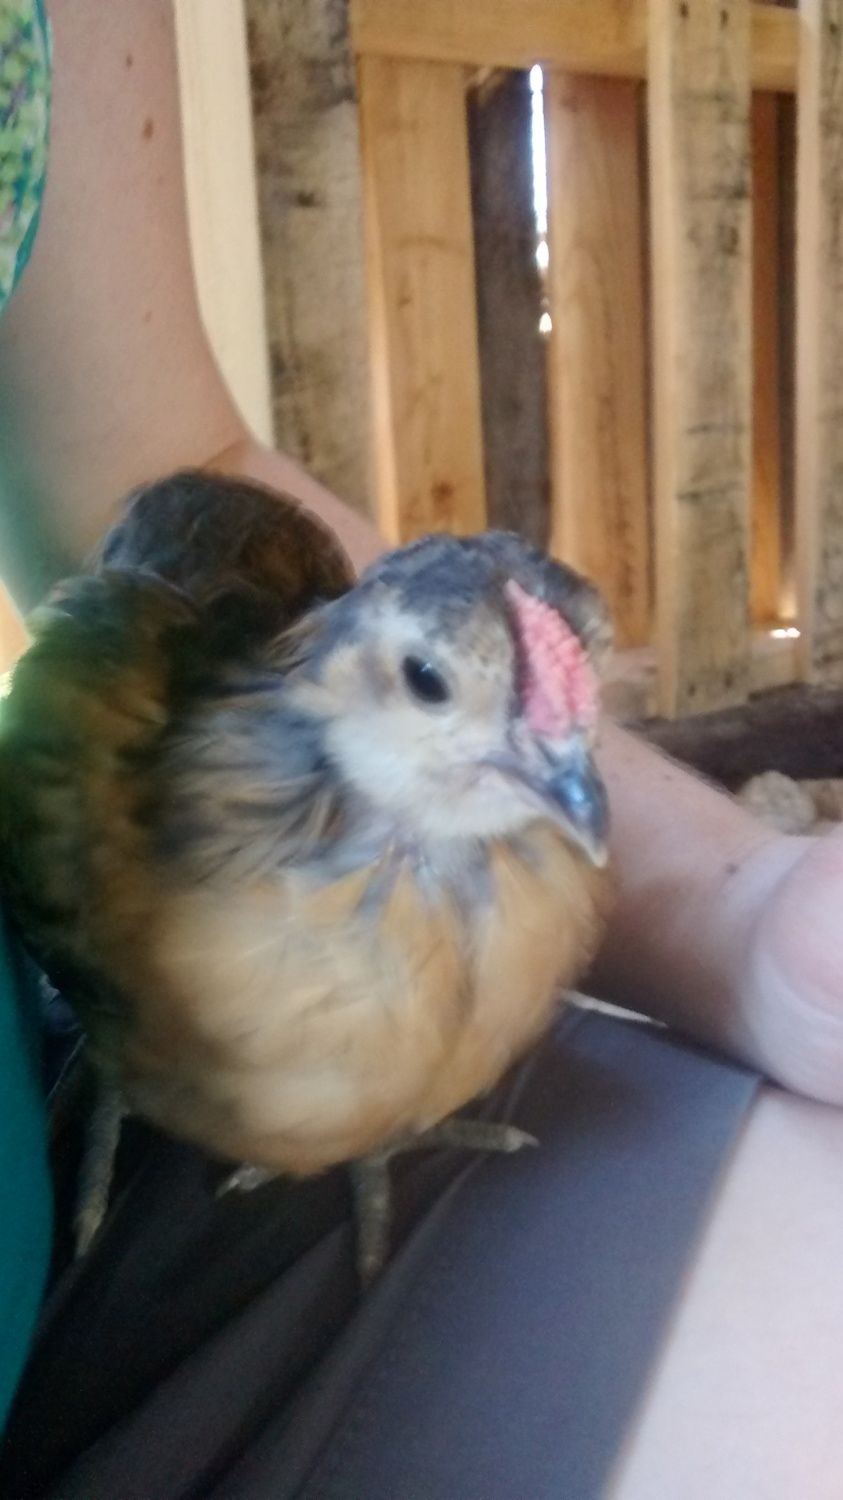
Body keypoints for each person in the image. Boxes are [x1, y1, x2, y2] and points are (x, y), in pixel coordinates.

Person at [3, 3, 843, 1494]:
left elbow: (143, 456)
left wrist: (755, 912)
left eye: (571, 735)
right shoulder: (120, 835)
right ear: (349, 678)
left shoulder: (525, 864)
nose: (565, 779)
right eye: (440, 686)